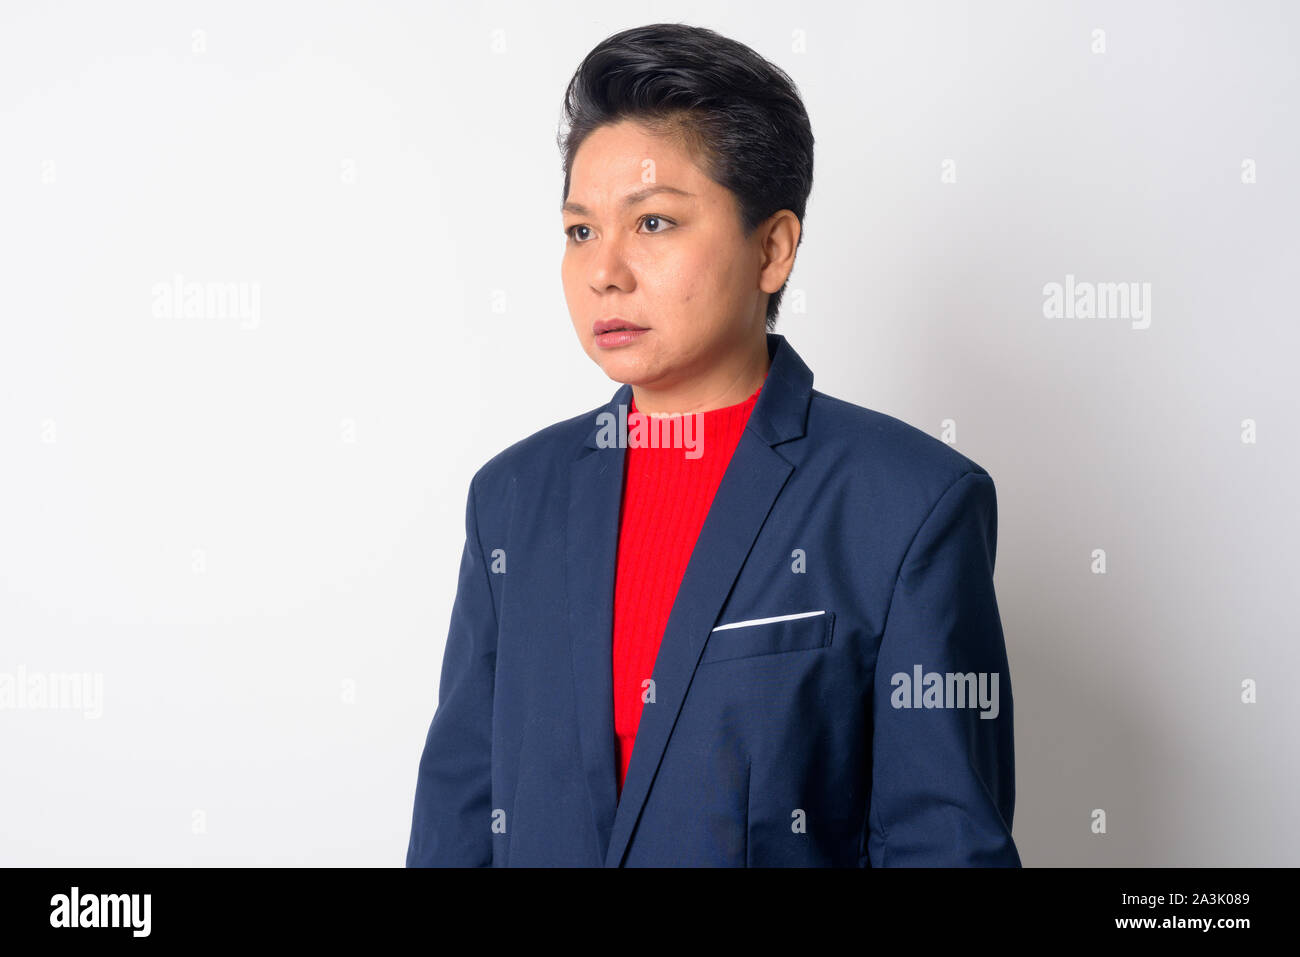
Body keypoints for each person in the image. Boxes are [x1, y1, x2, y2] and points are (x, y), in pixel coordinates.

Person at [406, 22, 1020, 867]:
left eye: (653, 222)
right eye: (580, 231)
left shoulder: (908, 505)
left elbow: (943, 847)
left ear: (772, 248)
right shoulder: (512, 499)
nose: (604, 271)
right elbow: (458, 820)